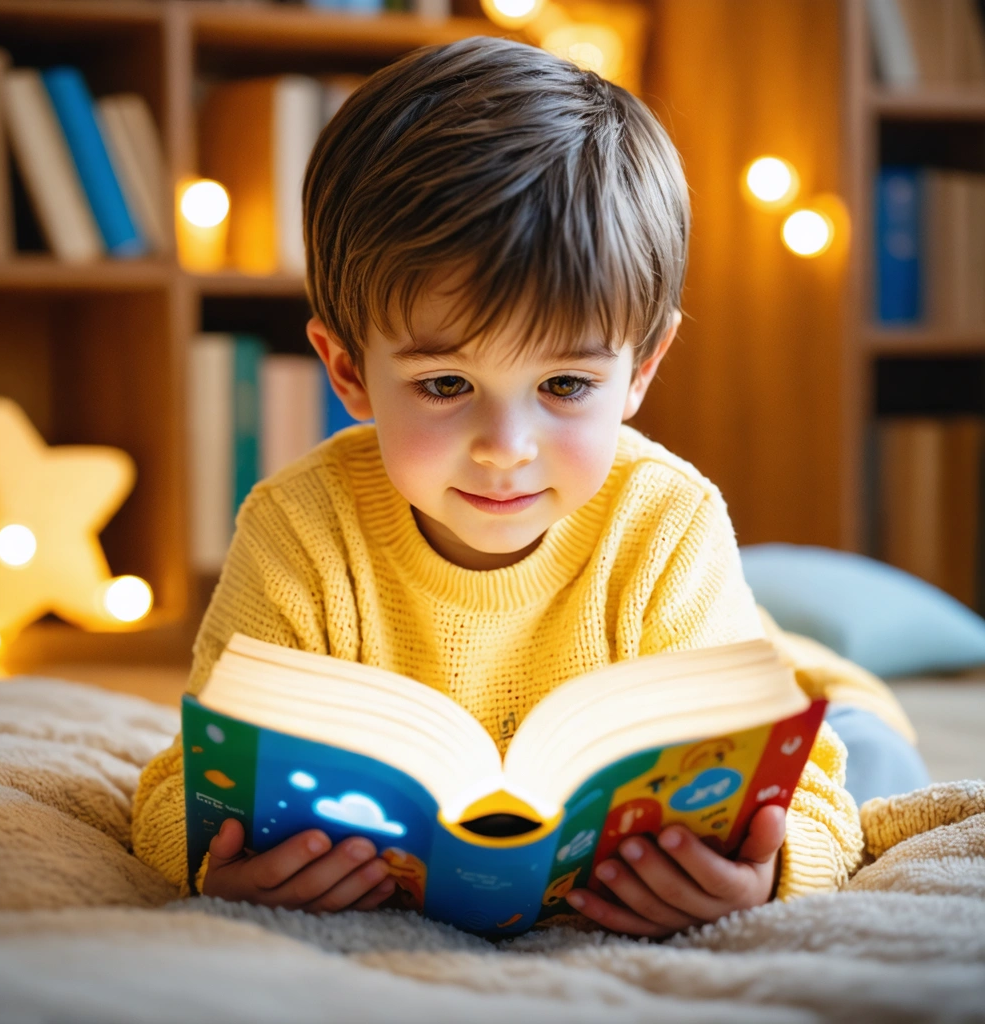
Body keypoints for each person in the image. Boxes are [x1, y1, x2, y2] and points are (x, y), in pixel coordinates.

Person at [132, 36, 926, 937]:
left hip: (760, 656)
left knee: (874, 759)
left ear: (641, 368)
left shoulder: (668, 522)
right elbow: (179, 785)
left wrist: (771, 868)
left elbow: (808, 784)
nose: (505, 450)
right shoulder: (297, 529)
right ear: (347, 371)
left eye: (564, 386)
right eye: (444, 386)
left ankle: (802, 630)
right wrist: (218, 864)